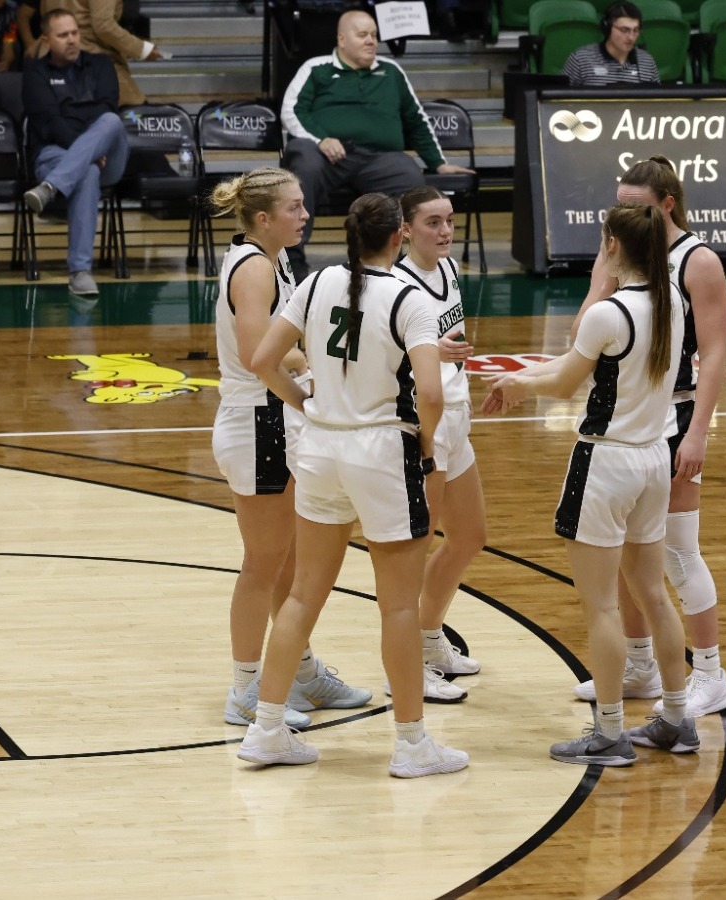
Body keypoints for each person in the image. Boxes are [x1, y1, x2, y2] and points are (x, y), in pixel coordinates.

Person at [237, 192, 469, 779]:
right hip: (380, 450)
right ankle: (413, 744)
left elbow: (263, 359)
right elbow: (433, 393)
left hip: (320, 449)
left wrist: (304, 400)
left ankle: (267, 730)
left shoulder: (313, 284)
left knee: (302, 594)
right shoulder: (410, 299)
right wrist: (423, 440)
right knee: (396, 605)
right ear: (397, 238)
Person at [484, 203, 697, 766]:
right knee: (653, 594)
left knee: (602, 605)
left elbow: (564, 384)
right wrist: (523, 376)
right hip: (654, 457)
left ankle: (608, 732)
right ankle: (677, 717)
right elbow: (577, 365)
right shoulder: (674, 299)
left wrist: (518, 386)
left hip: (606, 463)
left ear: (611, 246)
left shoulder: (608, 312)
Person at [570, 157, 726, 718]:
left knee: (678, 552)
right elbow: (581, 341)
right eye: (618, 204)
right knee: (626, 558)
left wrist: (699, 433)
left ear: (667, 205)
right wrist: (601, 275)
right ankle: (639, 665)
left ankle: (711, 672)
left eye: (636, 205)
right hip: (638, 422)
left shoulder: (698, 260)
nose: (624, 214)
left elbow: (714, 353)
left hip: (678, 415)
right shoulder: (628, 259)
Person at [210, 166, 372, 731]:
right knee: (263, 563)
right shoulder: (254, 268)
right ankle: (245, 688)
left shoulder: (268, 257)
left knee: (290, 561)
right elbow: (261, 355)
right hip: (258, 421)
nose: (304, 215)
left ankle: (298, 671)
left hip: (269, 417)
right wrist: (308, 397)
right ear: (263, 217)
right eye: (294, 207)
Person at [279, 9, 474, 281]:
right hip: (328, 155)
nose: (371, 40)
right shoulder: (316, 68)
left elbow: (415, 119)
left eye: (374, 35)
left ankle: (404, 266)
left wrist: (438, 163)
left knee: (409, 176)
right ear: (342, 39)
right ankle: (293, 260)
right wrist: (320, 139)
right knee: (302, 160)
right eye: (362, 35)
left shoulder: (391, 71)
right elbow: (292, 111)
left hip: (379, 158)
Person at [390, 185, 486, 704]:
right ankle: (406, 661)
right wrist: (427, 355)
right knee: (415, 546)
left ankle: (430, 637)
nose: (445, 230)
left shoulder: (448, 271)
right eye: (432, 222)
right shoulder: (397, 283)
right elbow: (386, 356)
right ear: (405, 229)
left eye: (448, 220)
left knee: (470, 534)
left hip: (457, 414)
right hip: (422, 419)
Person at [21, 7, 127, 296]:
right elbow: (49, 122)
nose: (71, 40)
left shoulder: (101, 65)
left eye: (75, 33)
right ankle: (80, 272)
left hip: (108, 156)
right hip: (54, 153)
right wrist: (89, 151)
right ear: (46, 40)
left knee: (111, 121)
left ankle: (51, 188)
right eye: (63, 35)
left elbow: (107, 107)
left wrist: (94, 146)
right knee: (87, 170)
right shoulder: (35, 74)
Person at [40, 0, 159, 108]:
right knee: (135, 118)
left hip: (55, 58)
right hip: (93, 57)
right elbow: (103, 25)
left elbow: (47, 17)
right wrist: (142, 49)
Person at [561, 1, 660, 88]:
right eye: (624, 30)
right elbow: (559, 100)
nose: (631, 37)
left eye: (635, 30)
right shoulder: (581, 59)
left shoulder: (647, 62)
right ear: (607, 28)